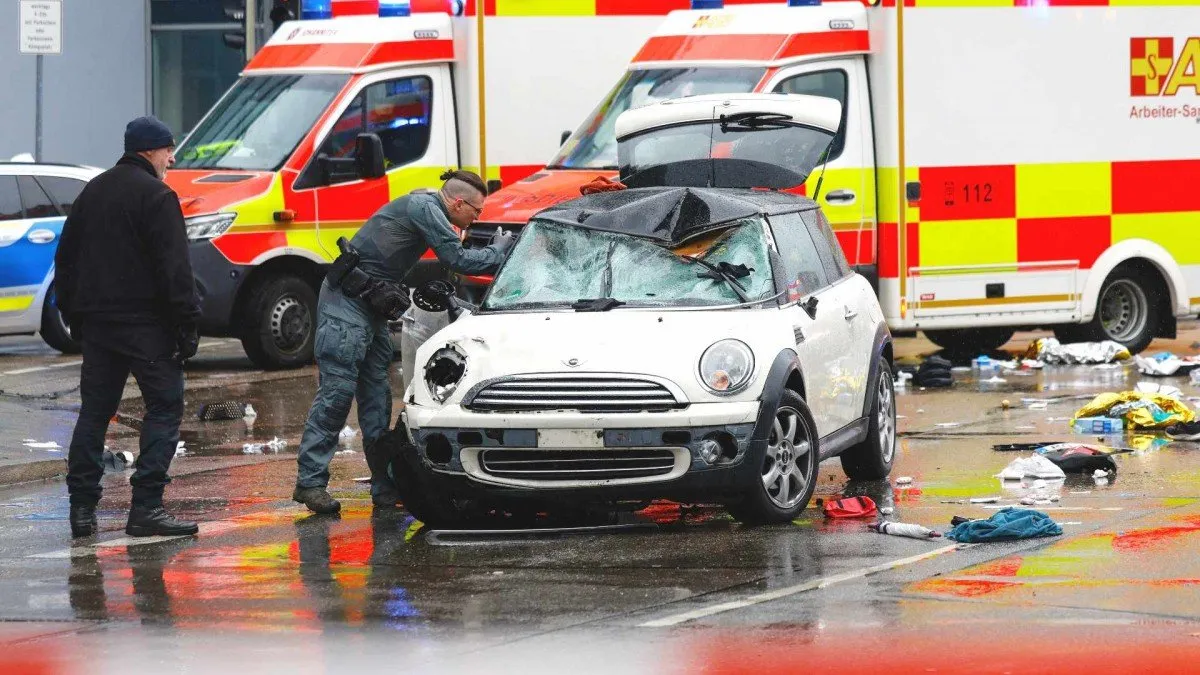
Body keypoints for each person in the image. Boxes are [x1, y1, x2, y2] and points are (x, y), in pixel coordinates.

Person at [293, 169, 514, 514]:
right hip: (346, 306)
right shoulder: (426, 209)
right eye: (476, 211)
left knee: (377, 402)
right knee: (336, 396)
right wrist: (499, 252)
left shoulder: (428, 209)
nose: (477, 217)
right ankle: (310, 483)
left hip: (368, 306)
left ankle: (384, 489)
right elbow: (456, 259)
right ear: (458, 203)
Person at [55, 115, 201, 539]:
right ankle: (147, 508)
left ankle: (82, 511)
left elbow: (66, 259)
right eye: (168, 149)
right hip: (147, 328)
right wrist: (187, 325)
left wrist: (72, 315)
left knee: (95, 414)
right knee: (165, 406)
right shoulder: (157, 196)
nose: (172, 158)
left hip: (98, 327)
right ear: (150, 151)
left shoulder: (92, 192)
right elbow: (175, 270)